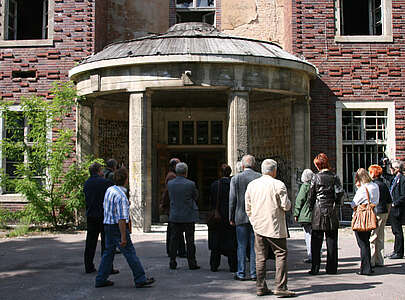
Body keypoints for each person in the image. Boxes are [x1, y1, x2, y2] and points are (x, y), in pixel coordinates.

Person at [95, 167, 155, 288]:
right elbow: (122, 219)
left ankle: (101, 278)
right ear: (126, 180)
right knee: (129, 252)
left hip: (107, 225)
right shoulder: (121, 196)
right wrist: (123, 236)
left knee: (108, 252)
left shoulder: (110, 190)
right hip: (117, 227)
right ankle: (140, 278)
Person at [245, 159, 295, 297]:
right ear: (274, 171)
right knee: (281, 254)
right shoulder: (278, 184)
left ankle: (260, 286)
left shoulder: (252, 185)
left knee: (260, 257)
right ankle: (280, 287)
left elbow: (248, 207)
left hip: (258, 225)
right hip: (275, 226)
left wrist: (253, 221)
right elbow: (286, 206)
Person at [308, 153, 344, 275]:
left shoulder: (315, 177)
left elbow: (311, 194)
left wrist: (310, 206)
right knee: (332, 240)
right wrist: (336, 203)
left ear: (318, 165)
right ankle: (332, 268)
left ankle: (315, 267)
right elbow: (339, 192)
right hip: (331, 209)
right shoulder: (334, 177)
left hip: (318, 209)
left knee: (316, 241)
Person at [229, 154, 261, 281]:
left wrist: (231, 217)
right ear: (254, 165)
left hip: (240, 216)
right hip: (256, 217)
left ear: (242, 165)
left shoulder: (236, 179)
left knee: (241, 246)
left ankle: (241, 272)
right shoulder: (259, 177)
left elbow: (232, 200)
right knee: (255, 246)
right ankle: (254, 273)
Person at [83, 162, 118, 275]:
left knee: (90, 243)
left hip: (91, 215)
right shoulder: (105, 183)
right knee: (106, 244)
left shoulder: (87, 183)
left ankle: (88, 266)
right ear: (99, 171)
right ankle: (108, 267)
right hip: (103, 215)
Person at [168, 162, 200, 270]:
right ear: (186, 172)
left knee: (174, 240)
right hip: (188, 215)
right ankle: (192, 263)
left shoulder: (170, 184)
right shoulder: (190, 184)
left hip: (175, 215)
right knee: (190, 240)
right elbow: (195, 196)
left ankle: (172, 261)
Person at [208, 164, 237, 272]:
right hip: (230, 216)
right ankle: (233, 266)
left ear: (220, 173)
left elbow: (211, 201)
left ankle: (214, 265)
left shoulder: (215, 185)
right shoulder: (233, 184)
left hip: (218, 216)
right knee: (231, 242)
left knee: (216, 242)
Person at [351, 168, 379, 275]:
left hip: (362, 216)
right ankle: (368, 266)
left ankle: (365, 268)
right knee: (367, 241)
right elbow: (376, 200)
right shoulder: (375, 186)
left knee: (362, 243)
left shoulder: (363, 189)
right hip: (372, 214)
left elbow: (353, 203)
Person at [160, 158, 186, 258]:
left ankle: (176, 250)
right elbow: (169, 192)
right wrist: (164, 204)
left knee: (175, 229)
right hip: (173, 206)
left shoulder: (172, 175)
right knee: (174, 230)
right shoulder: (172, 176)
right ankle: (174, 251)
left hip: (173, 206)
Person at [368, 164, 392, 267]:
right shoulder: (384, 185)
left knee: (373, 236)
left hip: (375, 211)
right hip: (384, 212)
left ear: (373, 173)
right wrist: (387, 212)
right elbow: (389, 201)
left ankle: (372, 260)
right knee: (381, 236)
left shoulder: (372, 185)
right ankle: (380, 260)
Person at [293, 169, 314, 263]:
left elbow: (299, 200)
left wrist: (296, 213)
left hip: (306, 214)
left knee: (308, 235)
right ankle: (317, 254)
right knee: (315, 235)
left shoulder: (305, 186)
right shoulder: (314, 186)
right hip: (315, 214)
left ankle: (311, 255)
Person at [387, 160, 405, 259]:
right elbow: (386, 176)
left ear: (397, 169)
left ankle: (399, 252)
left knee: (398, 231)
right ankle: (396, 250)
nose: (391, 170)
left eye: (392, 168)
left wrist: (394, 203)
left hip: (397, 208)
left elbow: (403, 195)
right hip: (393, 208)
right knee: (395, 230)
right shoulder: (395, 178)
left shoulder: (402, 179)